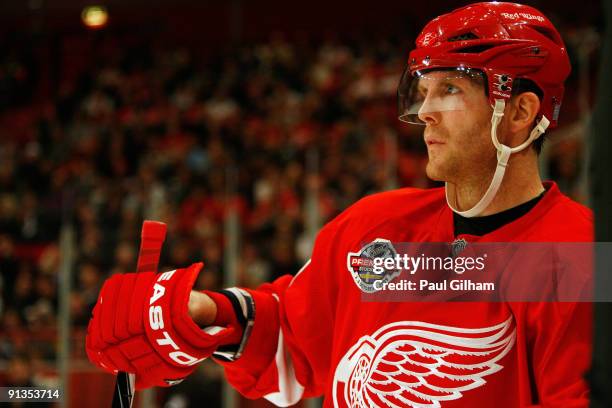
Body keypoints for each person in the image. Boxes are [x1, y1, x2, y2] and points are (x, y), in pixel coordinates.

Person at [86, 2, 593, 407]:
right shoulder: (374, 226)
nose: (426, 112)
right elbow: (295, 338)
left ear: (521, 112)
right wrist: (203, 313)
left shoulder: (577, 256)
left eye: (451, 89)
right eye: (423, 91)